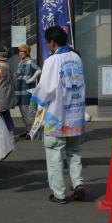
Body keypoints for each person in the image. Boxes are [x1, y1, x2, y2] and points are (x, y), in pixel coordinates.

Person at [31, 26, 86, 204]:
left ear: (53, 42)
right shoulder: (76, 57)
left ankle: (59, 193)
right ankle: (78, 183)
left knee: (54, 153)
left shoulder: (52, 61)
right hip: (75, 114)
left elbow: (46, 89)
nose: (47, 45)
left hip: (57, 115)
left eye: (47, 42)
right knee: (74, 150)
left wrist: (36, 101)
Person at [15, 44, 41, 139]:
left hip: (27, 91)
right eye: (19, 51)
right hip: (20, 90)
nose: (20, 53)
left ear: (26, 52)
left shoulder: (30, 62)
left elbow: (38, 70)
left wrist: (31, 79)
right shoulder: (21, 62)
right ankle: (27, 130)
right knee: (23, 111)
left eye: (22, 51)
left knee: (28, 111)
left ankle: (31, 131)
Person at [0, 51, 15, 139]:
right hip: (7, 95)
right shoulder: (9, 66)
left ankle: (0, 136)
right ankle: (11, 134)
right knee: (7, 115)